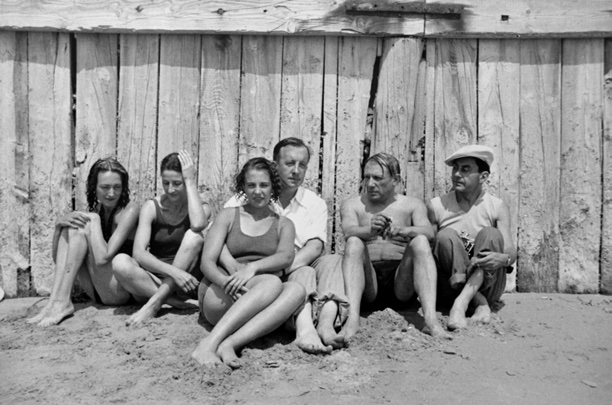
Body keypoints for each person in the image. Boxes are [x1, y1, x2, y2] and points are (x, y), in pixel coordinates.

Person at [222, 138, 348, 354]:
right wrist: (239, 268)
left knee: (332, 260)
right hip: (259, 267)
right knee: (304, 271)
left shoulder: (314, 202)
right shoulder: (252, 195)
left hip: (290, 262)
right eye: (290, 163)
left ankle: (326, 323)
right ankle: (304, 327)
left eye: (302, 165)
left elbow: (315, 247)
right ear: (274, 165)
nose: (296, 171)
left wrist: (284, 267)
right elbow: (218, 236)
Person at [192, 157, 305, 369]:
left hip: (259, 296)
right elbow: (207, 262)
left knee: (297, 290)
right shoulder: (228, 216)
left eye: (264, 185)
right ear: (243, 187)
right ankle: (209, 343)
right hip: (220, 291)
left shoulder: (283, 224)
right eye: (251, 185)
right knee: (272, 283)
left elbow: (286, 257)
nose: (258, 191)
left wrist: (253, 267)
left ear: (273, 187)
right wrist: (227, 282)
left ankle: (230, 343)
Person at [340, 153, 452, 341]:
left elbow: (429, 232)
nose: (370, 183)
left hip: (402, 282)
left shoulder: (411, 205)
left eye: (377, 178)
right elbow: (348, 231)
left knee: (420, 241)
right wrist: (370, 230)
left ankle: (431, 321)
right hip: (368, 282)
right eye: (366, 177)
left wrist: (402, 231)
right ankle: (352, 321)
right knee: (353, 242)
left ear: (396, 180)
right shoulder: (353, 205)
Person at [27, 157, 139, 327]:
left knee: (85, 221)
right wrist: (58, 227)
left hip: (118, 294)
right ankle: (55, 303)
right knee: (72, 227)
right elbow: (60, 261)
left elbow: (103, 258)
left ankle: (61, 303)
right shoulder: (97, 210)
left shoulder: (130, 210)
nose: (111, 193)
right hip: (97, 290)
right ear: (94, 187)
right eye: (105, 187)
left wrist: (93, 220)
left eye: (117, 187)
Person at [112, 151, 210, 325]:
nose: (170, 189)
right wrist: (174, 272)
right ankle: (168, 300)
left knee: (194, 236)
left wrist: (190, 182)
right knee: (120, 262)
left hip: (186, 284)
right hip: (152, 282)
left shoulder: (200, 207)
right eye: (166, 183)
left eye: (177, 183)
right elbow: (139, 254)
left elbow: (197, 225)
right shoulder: (151, 207)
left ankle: (155, 303)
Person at [427, 145, 517, 330]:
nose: (457, 174)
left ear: (483, 177)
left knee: (491, 234)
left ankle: (462, 303)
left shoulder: (496, 206)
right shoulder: (437, 206)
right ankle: (478, 303)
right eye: (455, 168)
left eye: (465, 169)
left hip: (488, 284)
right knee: (445, 236)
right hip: (448, 288)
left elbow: (509, 250)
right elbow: (428, 254)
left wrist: (504, 258)